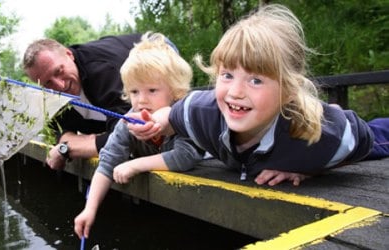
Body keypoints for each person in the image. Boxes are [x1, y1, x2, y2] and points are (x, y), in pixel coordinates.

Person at [127, 4, 389, 187]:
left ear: (288, 91)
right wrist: (157, 122)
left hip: (351, 133)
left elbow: (363, 139)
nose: (235, 92)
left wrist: (311, 167)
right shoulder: (200, 111)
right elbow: (173, 114)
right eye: (227, 75)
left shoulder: (327, 137)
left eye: (255, 80)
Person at [73, 32, 205, 240]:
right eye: (134, 92)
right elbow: (108, 162)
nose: (141, 100)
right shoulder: (129, 120)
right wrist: (89, 209)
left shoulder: (183, 114)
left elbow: (186, 156)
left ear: (174, 90)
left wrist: (135, 165)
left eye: (152, 90)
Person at [23, 34, 143, 170]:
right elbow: (56, 130)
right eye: (48, 83)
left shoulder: (103, 72)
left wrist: (69, 148)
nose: (60, 86)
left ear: (69, 55)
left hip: (156, 50)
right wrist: (78, 142)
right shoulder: (51, 94)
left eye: (58, 71)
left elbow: (128, 136)